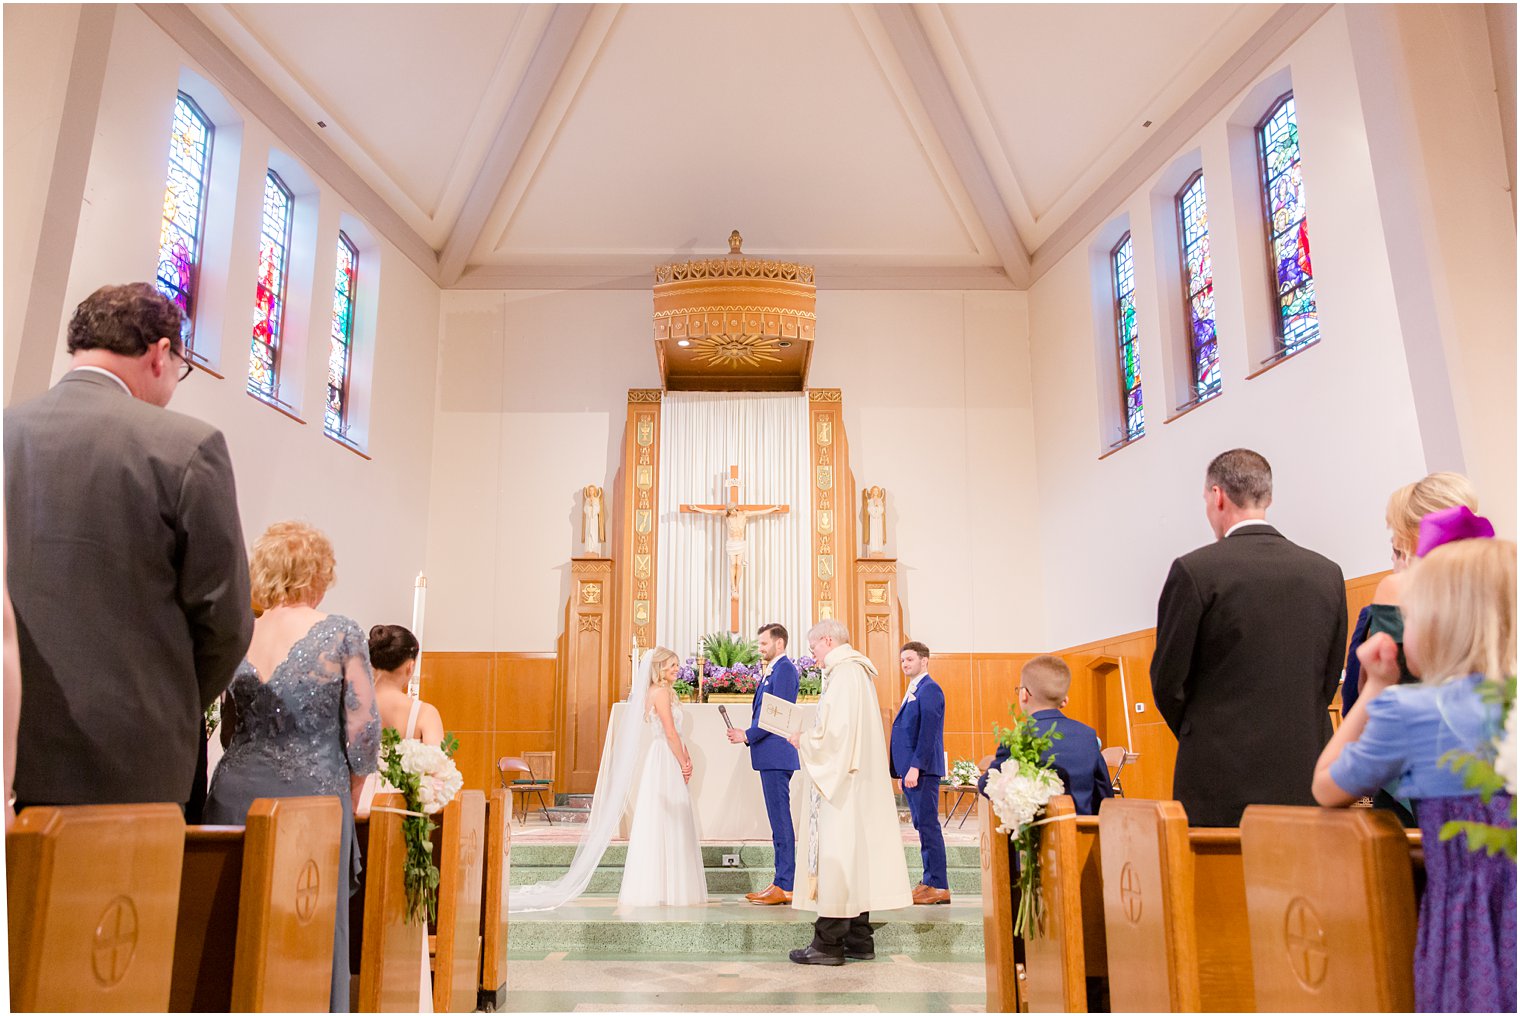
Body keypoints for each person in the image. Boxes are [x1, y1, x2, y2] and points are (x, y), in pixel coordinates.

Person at [5, 282, 252, 814]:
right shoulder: (187, 448)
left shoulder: (8, 432)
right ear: (162, 354)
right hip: (128, 761)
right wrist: (170, 701)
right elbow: (226, 622)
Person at [1313, 520, 1514, 1013]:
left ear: (1440, 625)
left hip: (1475, 926)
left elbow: (1326, 785)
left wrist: (1378, 686)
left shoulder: (1417, 713)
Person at [205, 521, 379, 1013]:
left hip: (233, 792)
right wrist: (350, 794)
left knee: (233, 929)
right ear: (316, 573)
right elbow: (364, 734)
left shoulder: (240, 633)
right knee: (310, 931)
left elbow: (227, 729)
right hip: (314, 798)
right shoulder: (341, 633)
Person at [1150, 448, 1347, 827]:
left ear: (1218, 495)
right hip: (1305, 772)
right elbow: (1326, 678)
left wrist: (1206, 731)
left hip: (1220, 777)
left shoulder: (1195, 571)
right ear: (1267, 497)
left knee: (1225, 884)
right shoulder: (1326, 572)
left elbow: (1168, 681)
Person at [1341, 473, 1479, 826]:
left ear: (1411, 533)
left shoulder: (1398, 589)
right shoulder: (1494, 576)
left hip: (1420, 767)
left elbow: (1370, 696)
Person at [786, 620, 913, 965]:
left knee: (838, 856)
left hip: (842, 784)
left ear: (828, 641)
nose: (813, 659)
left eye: (814, 650)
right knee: (854, 857)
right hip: (857, 782)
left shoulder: (844, 674)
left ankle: (827, 944)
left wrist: (804, 739)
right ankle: (859, 939)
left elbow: (836, 735)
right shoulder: (857, 672)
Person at [618, 645, 708, 909]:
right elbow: (669, 732)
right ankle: (670, 887)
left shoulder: (658, 692)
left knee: (662, 818)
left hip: (663, 755)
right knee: (670, 818)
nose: (677, 670)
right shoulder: (660, 693)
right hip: (666, 758)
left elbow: (674, 733)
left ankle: (662, 885)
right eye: (672, 666)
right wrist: (683, 763)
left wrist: (685, 752)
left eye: (677, 665)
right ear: (659, 669)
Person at [978, 655, 1114, 815]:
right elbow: (1104, 794)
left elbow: (988, 786)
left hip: (1036, 834)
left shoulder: (1019, 736)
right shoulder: (1087, 735)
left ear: (1024, 695)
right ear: (1064, 701)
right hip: (1081, 832)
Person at [727, 622, 799, 905]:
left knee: (780, 821)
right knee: (777, 820)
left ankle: (785, 884)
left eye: (764, 643)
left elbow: (776, 715)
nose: (760, 648)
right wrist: (747, 736)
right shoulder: (774, 669)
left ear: (779, 644)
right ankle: (781, 881)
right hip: (770, 754)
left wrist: (748, 735)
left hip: (777, 754)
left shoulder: (784, 670)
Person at [355, 624, 444, 817]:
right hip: (402, 810)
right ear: (410, 665)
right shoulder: (425, 713)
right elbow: (437, 775)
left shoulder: (351, 708)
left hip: (356, 806)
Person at [890, 640, 949, 904]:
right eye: (903, 660)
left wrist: (915, 767)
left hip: (922, 770)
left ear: (924, 661)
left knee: (928, 826)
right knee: (922, 826)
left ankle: (938, 885)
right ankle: (929, 881)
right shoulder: (914, 689)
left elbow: (928, 733)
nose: (905, 664)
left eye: (910, 659)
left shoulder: (930, 689)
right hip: (913, 771)